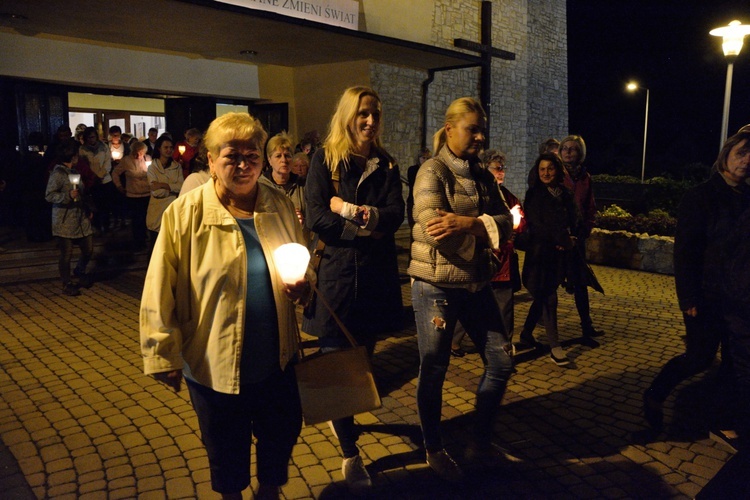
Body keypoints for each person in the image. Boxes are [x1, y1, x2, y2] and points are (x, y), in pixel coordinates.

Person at [140, 112, 310, 500]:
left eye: (252, 156)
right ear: (212, 160)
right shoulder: (186, 214)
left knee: (279, 440)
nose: (243, 165)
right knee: (226, 454)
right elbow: (158, 288)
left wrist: (305, 288)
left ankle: (268, 493)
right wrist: (161, 353)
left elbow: (300, 260)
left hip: (276, 360)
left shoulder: (279, 206)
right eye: (232, 155)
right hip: (214, 366)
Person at [303, 86, 404, 494]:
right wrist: (367, 229)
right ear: (348, 115)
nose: (369, 121)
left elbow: (396, 215)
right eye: (363, 113)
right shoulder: (325, 159)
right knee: (335, 368)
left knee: (362, 362)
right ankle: (349, 451)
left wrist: (352, 212)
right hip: (338, 277)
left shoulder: (388, 163)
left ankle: (345, 419)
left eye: (375, 114)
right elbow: (315, 216)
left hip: (376, 279)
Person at [409, 97, 514, 481]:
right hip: (434, 284)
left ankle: (480, 440)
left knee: (502, 361)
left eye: (482, 129)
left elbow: (507, 221)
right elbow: (434, 227)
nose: (480, 136)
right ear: (450, 128)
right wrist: (482, 233)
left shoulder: (484, 176)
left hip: (475, 284)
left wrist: (469, 225)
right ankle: (433, 446)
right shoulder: (431, 171)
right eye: (473, 128)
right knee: (434, 367)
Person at [643, 130, 750, 434]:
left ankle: (720, 416)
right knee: (699, 358)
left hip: (740, 298)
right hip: (706, 297)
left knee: (735, 362)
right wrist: (688, 298)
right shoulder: (700, 197)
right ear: (726, 154)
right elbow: (686, 252)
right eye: (741, 153)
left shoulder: (746, 198)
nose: (747, 160)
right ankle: (656, 393)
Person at [451, 149, 524, 357]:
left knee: (505, 307)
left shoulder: (509, 197)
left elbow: (520, 221)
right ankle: (454, 341)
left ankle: (505, 349)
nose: (501, 172)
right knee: (472, 302)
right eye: (497, 168)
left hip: (505, 261)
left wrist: (516, 228)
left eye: (503, 168)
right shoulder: (478, 194)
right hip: (483, 257)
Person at [516, 153, 582, 366]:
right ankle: (555, 347)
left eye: (550, 169)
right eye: (542, 169)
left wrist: (572, 238)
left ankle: (526, 334)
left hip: (559, 257)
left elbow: (575, 220)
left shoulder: (565, 194)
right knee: (549, 298)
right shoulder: (534, 195)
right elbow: (538, 225)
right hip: (539, 256)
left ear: (557, 171)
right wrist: (563, 239)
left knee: (543, 297)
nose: (545, 173)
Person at [559, 134, 604, 342]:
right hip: (559, 236)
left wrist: (586, 228)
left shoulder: (585, 177)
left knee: (580, 283)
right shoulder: (556, 174)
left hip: (578, 236)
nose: (568, 152)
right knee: (549, 284)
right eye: (565, 148)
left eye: (573, 148)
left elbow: (590, 206)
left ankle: (587, 327)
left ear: (580, 153)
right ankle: (529, 331)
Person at [44, 139, 95, 296]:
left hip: (80, 218)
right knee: (66, 254)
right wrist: (66, 196)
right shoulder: (58, 173)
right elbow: (49, 195)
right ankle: (67, 283)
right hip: (64, 220)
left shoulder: (75, 173)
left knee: (88, 248)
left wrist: (87, 208)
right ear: (72, 156)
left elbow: (82, 193)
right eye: (76, 154)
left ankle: (79, 270)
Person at [146, 135, 183, 252]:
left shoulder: (177, 167)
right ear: (159, 149)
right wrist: (172, 189)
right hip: (156, 213)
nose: (169, 150)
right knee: (155, 249)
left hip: (172, 211)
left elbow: (181, 186)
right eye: (166, 147)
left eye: (171, 148)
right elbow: (156, 192)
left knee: (171, 250)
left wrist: (164, 185)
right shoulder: (152, 168)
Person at [112, 141, 151, 250]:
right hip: (133, 195)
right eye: (138, 152)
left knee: (144, 218)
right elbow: (115, 173)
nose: (140, 155)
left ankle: (143, 239)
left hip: (147, 194)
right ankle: (137, 241)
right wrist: (119, 186)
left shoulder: (148, 159)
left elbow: (152, 173)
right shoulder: (126, 160)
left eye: (142, 152)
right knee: (136, 219)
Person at [263, 132, 306, 228]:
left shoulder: (303, 185)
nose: (284, 160)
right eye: (278, 156)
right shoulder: (261, 186)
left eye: (287, 155)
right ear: (269, 159)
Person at [79, 127, 117, 235]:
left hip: (104, 180)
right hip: (91, 180)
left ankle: (106, 225)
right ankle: (96, 226)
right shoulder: (82, 149)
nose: (91, 139)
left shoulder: (104, 147)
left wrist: (100, 175)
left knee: (106, 205)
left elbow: (107, 163)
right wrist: (92, 177)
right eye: (89, 137)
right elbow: (83, 165)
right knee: (95, 205)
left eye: (93, 137)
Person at [406, 147, 431, 227]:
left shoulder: (430, 170)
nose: (425, 160)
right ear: (418, 158)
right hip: (413, 201)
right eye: (423, 158)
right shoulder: (412, 170)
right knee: (413, 227)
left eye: (427, 158)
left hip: (426, 202)